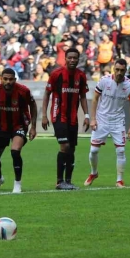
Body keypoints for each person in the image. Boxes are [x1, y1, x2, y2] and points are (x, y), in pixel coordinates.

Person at [41, 47, 90, 190]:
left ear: (78, 59)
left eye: (75, 58)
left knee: (72, 149)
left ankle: (68, 181)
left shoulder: (81, 76)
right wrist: (44, 115)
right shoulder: (56, 74)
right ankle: (59, 181)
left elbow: (82, 96)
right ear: (65, 59)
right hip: (58, 116)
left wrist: (86, 115)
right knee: (65, 146)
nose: (72, 60)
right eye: (70, 58)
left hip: (73, 118)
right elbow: (46, 94)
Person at [85, 59, 130, 188]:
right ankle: (94, 173)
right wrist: (93, 118)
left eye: (122, 70)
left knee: (121, 150)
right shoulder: (104, 80)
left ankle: (119, 180)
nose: (119, 72)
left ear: (126, 71)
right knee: (94, 150)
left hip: (117, 121)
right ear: (114, 68)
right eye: (117, 69)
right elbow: (95, 98)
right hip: (101, 119)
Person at [0, 68, 38, 194]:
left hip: (19, 125)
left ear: (15, 79)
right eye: (5, 79)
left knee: (15, 151)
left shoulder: (23, 91)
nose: (8, 81)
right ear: (1, 79)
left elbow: (33, 105)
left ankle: (17, 184)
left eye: (11, 79)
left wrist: (33, 127)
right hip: (2, 127)